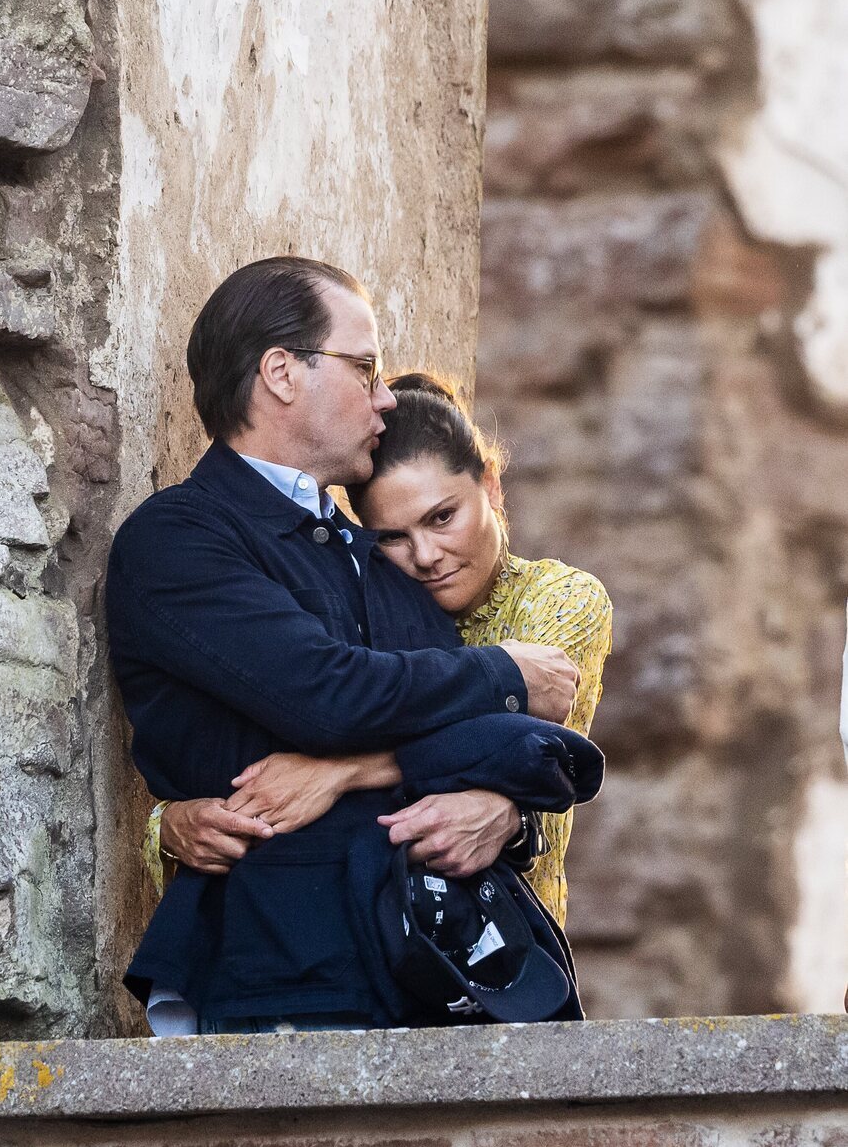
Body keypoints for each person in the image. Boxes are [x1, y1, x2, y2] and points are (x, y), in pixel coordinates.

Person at [105, 256, 581, 1035]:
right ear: (282, 374)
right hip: (287, 979)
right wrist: (505, 673)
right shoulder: (179, 538)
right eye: (366, 369)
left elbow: (502, 744)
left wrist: (485, 776)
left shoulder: (371, 556)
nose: (387, 399)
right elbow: (328, 695)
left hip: (445, 975)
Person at [150, 374, 611, 929]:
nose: (426, 555)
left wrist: (336, 774)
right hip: (366, 934)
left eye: (443, 517)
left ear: (491, 485)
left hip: (509, 932)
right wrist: (166, 823)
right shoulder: (363, 601)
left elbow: (526, 754)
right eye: (391, 536)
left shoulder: (562, 599)